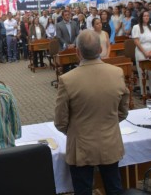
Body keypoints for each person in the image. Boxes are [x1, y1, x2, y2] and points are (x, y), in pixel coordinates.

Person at [55, 30, 129, 195]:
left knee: (83, 190)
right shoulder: (117, 73)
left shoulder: (67, 80)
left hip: (81, 146)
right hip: (109, 141)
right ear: (101, 50)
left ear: (77, 52)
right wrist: (108, 123)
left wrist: (77, 131)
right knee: (114, 188)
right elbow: (123, 111)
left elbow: (60, 121)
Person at [132, 11, 151, 97]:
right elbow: (136, 41)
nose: (146, 17)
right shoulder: (136, 27)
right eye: (144, 16)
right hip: (141, 50)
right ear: (141, 17)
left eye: (147, 16)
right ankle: (144, 93)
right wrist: (144, 52)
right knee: (142, 72)